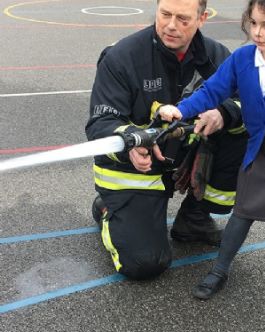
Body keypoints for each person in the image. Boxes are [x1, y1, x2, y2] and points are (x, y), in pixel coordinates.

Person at [159, 0, 265, 305]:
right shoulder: (243, 59)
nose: (257, 32)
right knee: (242, 213)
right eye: (253, 23)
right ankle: (220, 271)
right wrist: (180, 110)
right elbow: (212, 91)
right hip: (258, 152)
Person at [85, 0, 248, 280]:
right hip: (136, 170)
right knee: (144, 264)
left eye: (183, 18)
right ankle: (105, 208)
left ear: (202, 17)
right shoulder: (122, 56)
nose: (171, 25)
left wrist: (225, 113)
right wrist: (129, 145)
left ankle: (194, 219)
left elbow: (249, 102)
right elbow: (100, 123)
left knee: (244, 127)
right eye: (165, 14)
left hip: (184, 156)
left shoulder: (218, 56)